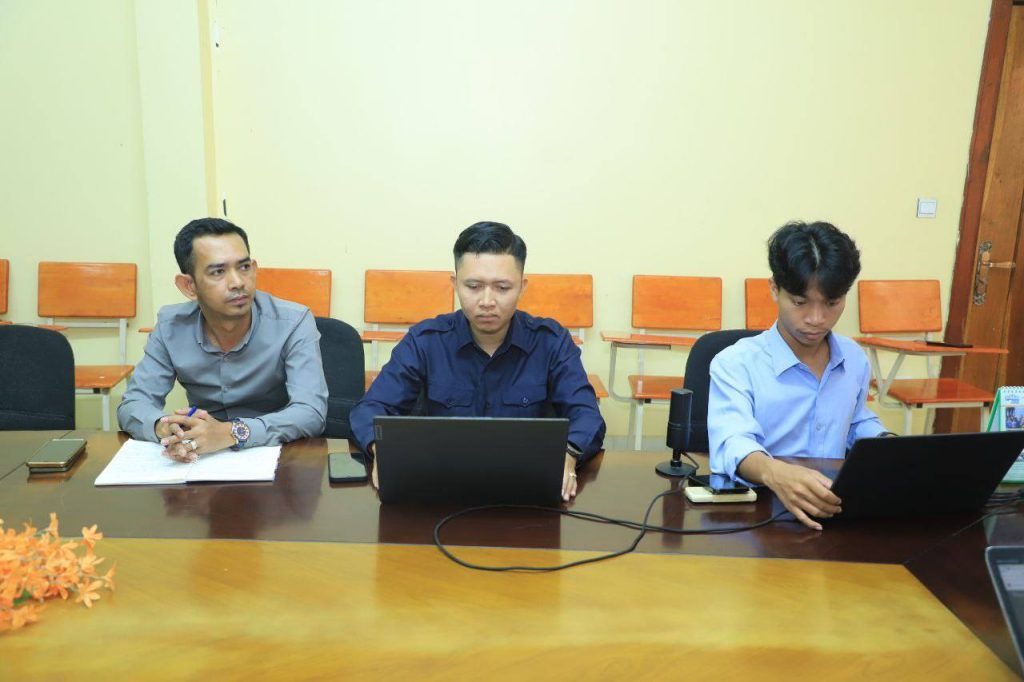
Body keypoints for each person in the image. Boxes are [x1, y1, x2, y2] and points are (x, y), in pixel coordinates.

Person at [350, 221, 606, 501]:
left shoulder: (551, 342)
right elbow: (370, 408)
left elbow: (587, 415)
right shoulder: (425, 341)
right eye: (473, 286)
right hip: (440, 488)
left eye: (502, 287)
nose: (487, 301)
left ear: (522, 287)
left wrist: (569, 455)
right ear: (454, 284)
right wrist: (381, 450)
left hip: (526, 491)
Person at [708, 221, 888, 530]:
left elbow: (854, 420)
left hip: (833, 510)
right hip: (760, 515)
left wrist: (888, 445)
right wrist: (776, 472)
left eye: (832, 303)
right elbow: (732, 442)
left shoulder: (854, 359)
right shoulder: (736, 363)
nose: (816, 319)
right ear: (774, 289)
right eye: (800, 302)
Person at [117, 218, 328, 461]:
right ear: (189, 286)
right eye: (218, 271)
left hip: (276, 453)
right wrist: (166, 428)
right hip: (201, 457)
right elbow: (133, 404)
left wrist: (231, 432)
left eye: (244, 267)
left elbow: (310, 412)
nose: (238, 282)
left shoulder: (293, 322)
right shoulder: (170, 326)